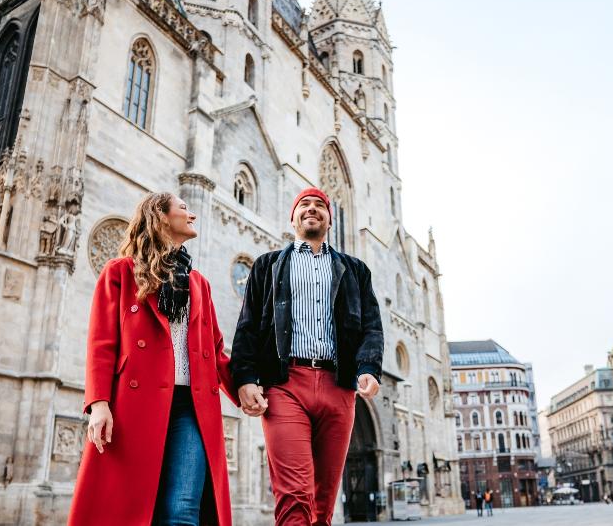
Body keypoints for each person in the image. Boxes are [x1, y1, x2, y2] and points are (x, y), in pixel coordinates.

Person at [70, 193, 237, 526]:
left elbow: (215, 351)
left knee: (183, 509)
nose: (192, 215)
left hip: (192, 407)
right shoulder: (119, 272)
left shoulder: (198, 284)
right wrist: (99, 404)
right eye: (184, 209)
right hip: (135, 406)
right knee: (130, 510)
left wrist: (248, 391)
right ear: (161, 217)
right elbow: (102, 342)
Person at [230, 187, 384, 525]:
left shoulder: (355, 270)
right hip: (285, 385)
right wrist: (244, 378)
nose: (312, 209)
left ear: (330, 219)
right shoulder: (268, 265)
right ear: (293, 217)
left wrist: (369, 367)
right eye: (304, 204)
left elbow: (371, 326)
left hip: (338, 386)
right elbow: (248, 325)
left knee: (323, 501)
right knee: (294, 495)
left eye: (319, 205)